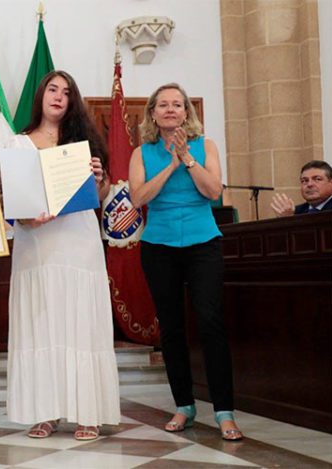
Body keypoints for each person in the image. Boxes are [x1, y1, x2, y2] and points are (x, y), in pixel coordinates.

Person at [5, 71, 121, 441]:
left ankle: (89, 413)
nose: (58, 96)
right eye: (52, 89)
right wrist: (28, 217)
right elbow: (9, 200)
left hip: (78, 242)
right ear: (40, 96)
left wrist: (99, 178)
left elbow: (100, 196)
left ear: (73, 101)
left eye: (67, 92)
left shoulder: (83, 143)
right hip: (36, 246)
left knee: (82, 322)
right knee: (42, 324)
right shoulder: (17, 144)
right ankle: (45, 412)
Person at [128, 82, 243, 441]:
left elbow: (213, 191)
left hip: (202, 243)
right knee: (172, 328)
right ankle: (184, 406)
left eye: (178, 104)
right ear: (152, 113)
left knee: (210, 322)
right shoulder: (141, 153)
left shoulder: (204, 145)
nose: (171, 110)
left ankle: (224, 411)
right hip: (159, 245)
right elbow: (138, 198)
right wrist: (171, 164)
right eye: (163, 105)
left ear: (186, 113)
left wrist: (188, 159)